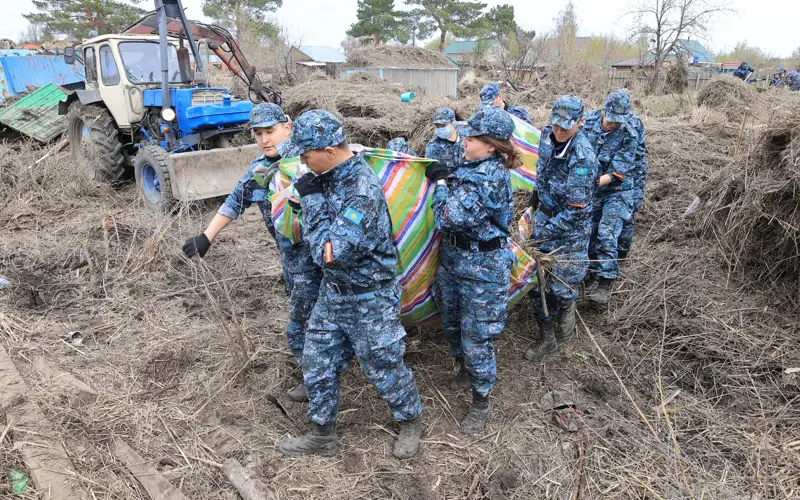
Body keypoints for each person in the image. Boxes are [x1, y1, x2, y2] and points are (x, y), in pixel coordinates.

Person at [278, 110, 424, 459]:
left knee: (384, 366)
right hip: (334, 294)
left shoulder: (360, 191)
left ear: (329, 150)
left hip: (368, 298)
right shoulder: (328, 174)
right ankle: (322, 435)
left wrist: (310, 201)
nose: (302, 162)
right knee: (317, 361)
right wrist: (309, 196)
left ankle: (411, 420)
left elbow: (329, 253)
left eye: (306, 154)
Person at [182, 103, 321, 403]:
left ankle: (317, 380)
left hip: (321, 260)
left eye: (270, 131)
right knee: (310, 320)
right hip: (291, 262)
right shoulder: (260, 170)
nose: (264, 139)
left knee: (301, 325)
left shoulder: (312, 161)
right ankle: (321, 371)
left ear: (288, 126)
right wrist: (206, 237)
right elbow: (235, 202)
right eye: (258, 134)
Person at [426, 106, 517, 435]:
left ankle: (481, 401)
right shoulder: (472, 164)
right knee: (451, 320)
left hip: (482, 269)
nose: (463, 141)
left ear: (490, 145)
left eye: (472, 137)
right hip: (454, 260)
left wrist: (439, 185)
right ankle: (464, 369)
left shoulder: (488, 176)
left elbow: (447, 217)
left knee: (477, 337)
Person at [525, 96, 599, 362]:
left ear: (581, 122)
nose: (558, 131)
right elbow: (541, 174)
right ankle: (547, 336)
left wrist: (541, 234)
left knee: (562, 284)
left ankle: (567, 308)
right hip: (545, 215)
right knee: (537, 281)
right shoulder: (546, 136)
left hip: (571, 229)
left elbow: (575, 211)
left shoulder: (582, 158)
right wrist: (533, 205)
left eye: (565, 127)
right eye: (555, 124)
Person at [582, 90, 639, 307]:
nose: (614, 125)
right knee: (589, 232)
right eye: (611, 119)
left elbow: (617, 172)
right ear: (603, 110)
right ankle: (591, 273)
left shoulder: (629, 134)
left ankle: (606, 282)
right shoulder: (587, 122)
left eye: (619, 121)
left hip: (617, 190)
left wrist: (592, 183)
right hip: (591, 189)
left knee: (607, 231)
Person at [617, 113, 647, 260]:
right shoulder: (596, 121)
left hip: (634, 171)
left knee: (629, 210)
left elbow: (637, 154)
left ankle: (622, 250)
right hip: (616, 171)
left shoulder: (633, 125)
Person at [424, 107, 464, 172]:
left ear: (453, 122)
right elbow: (431, 171)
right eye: (437, 126)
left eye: (443, 126)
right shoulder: (433, 145)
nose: (440, 129)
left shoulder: (467, 139)